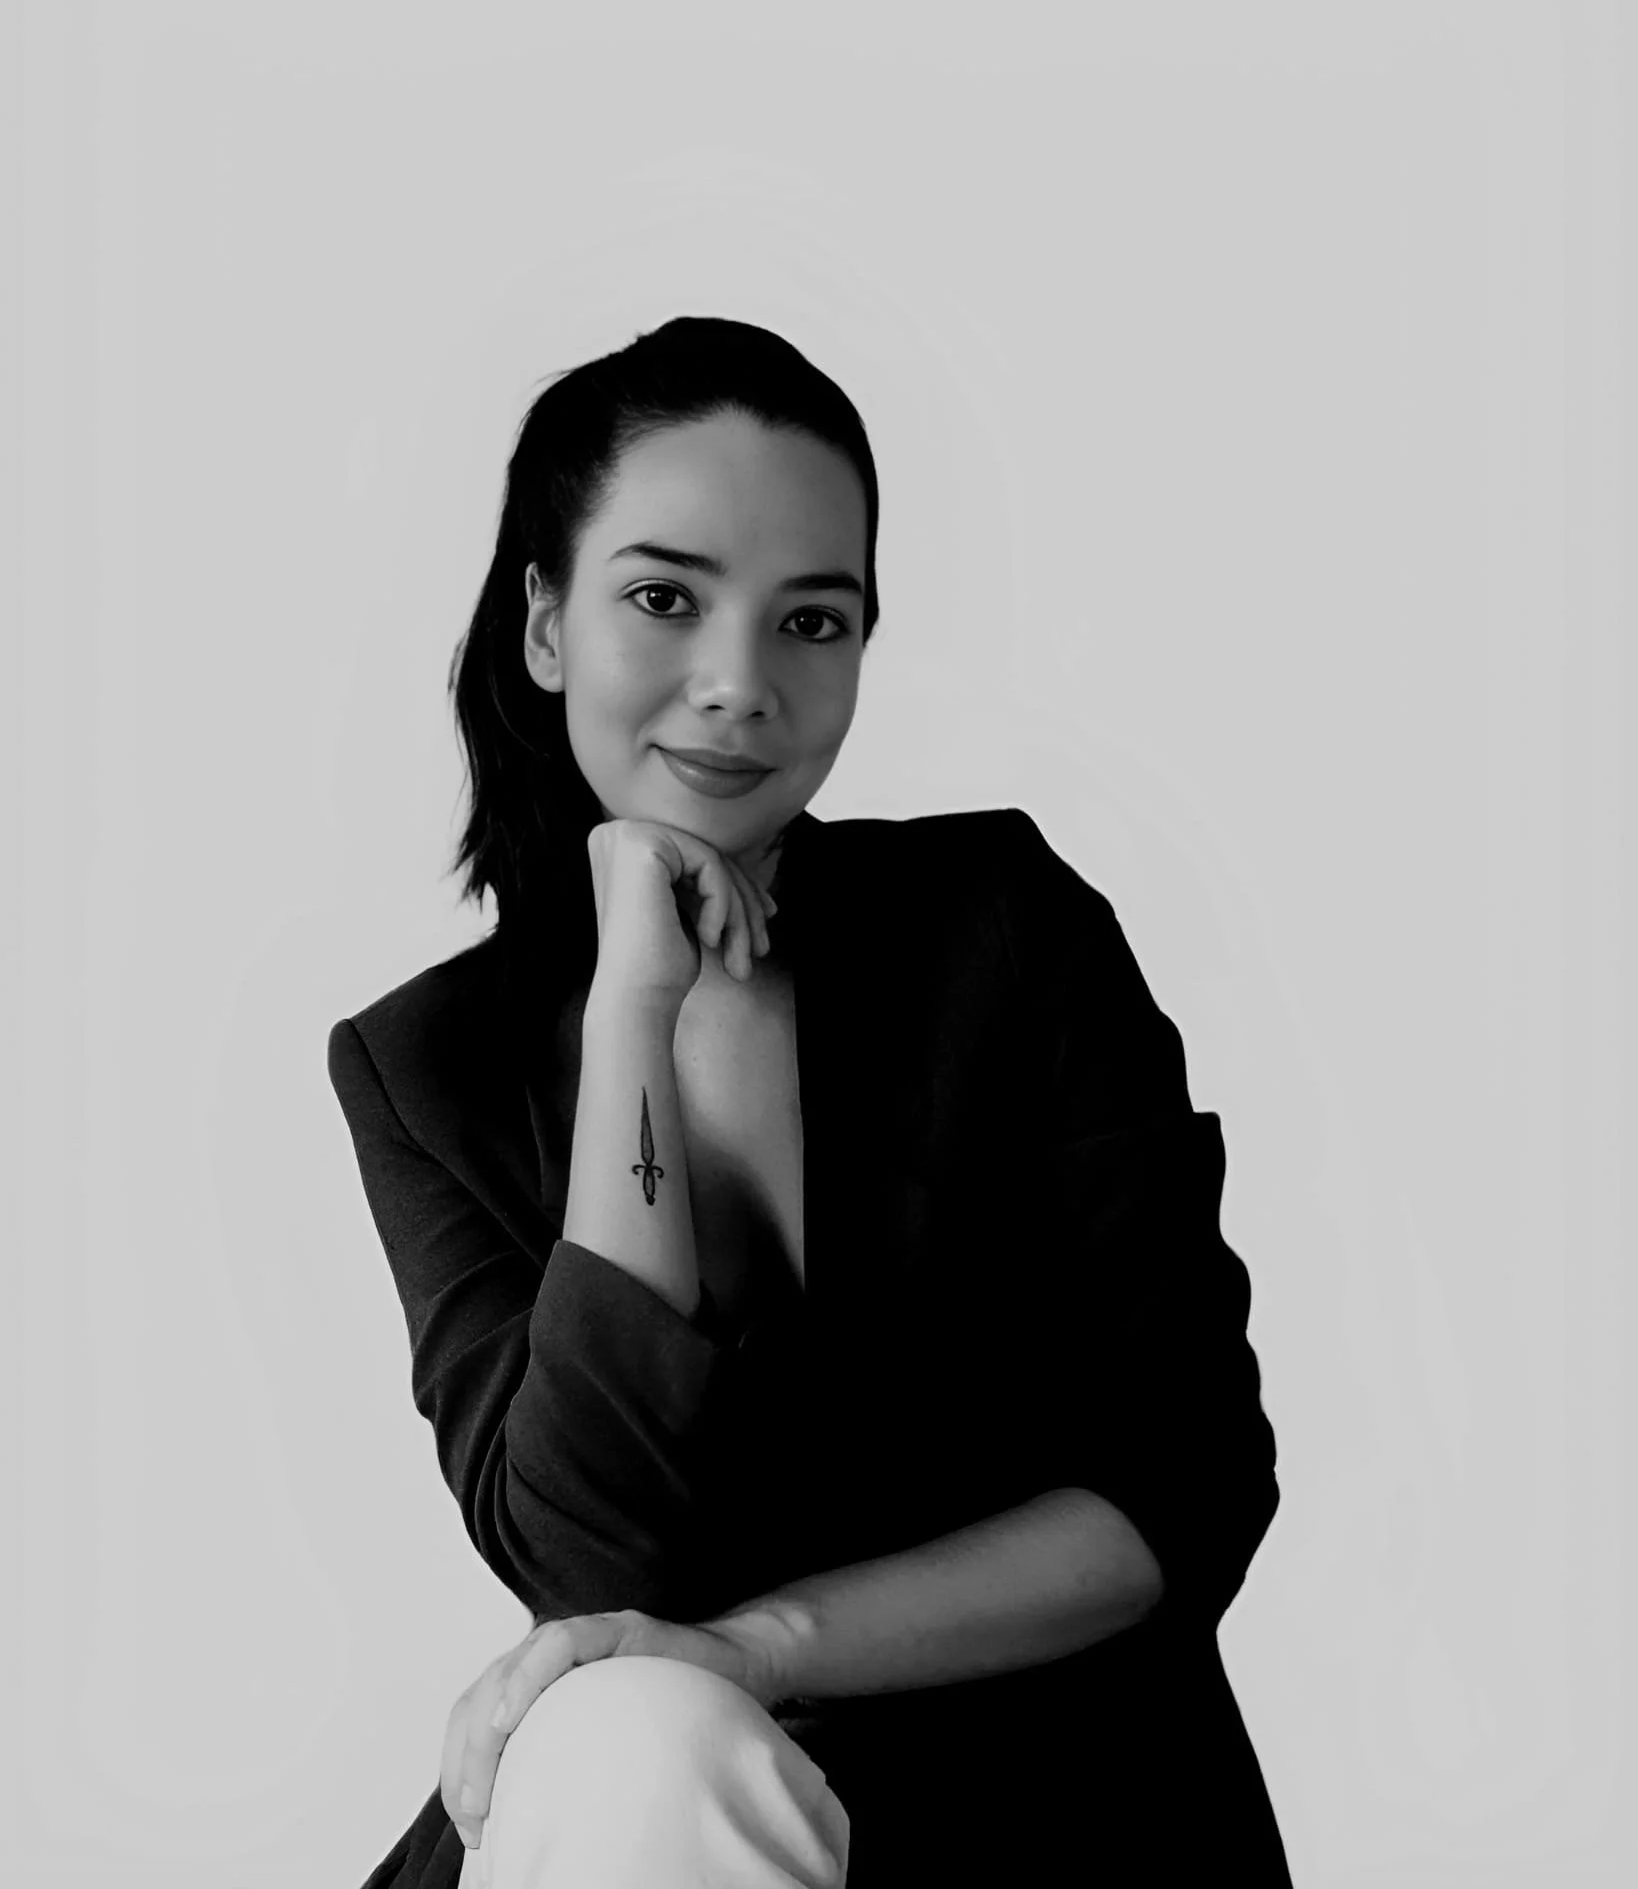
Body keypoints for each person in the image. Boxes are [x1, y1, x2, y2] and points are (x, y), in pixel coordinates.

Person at [326, 315, 1293, 1887]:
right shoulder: (423, 1067)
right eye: (663, 598)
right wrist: (635, 1006)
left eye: (813, 621)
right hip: (641, 1821)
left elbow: (1180, 1486)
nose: (740, 687)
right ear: (545, 623)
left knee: (645, 1712)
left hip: (1061, 1801)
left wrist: (763, 1649)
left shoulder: (1003, 928)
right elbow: (585, 1555)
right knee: (629, 1735)